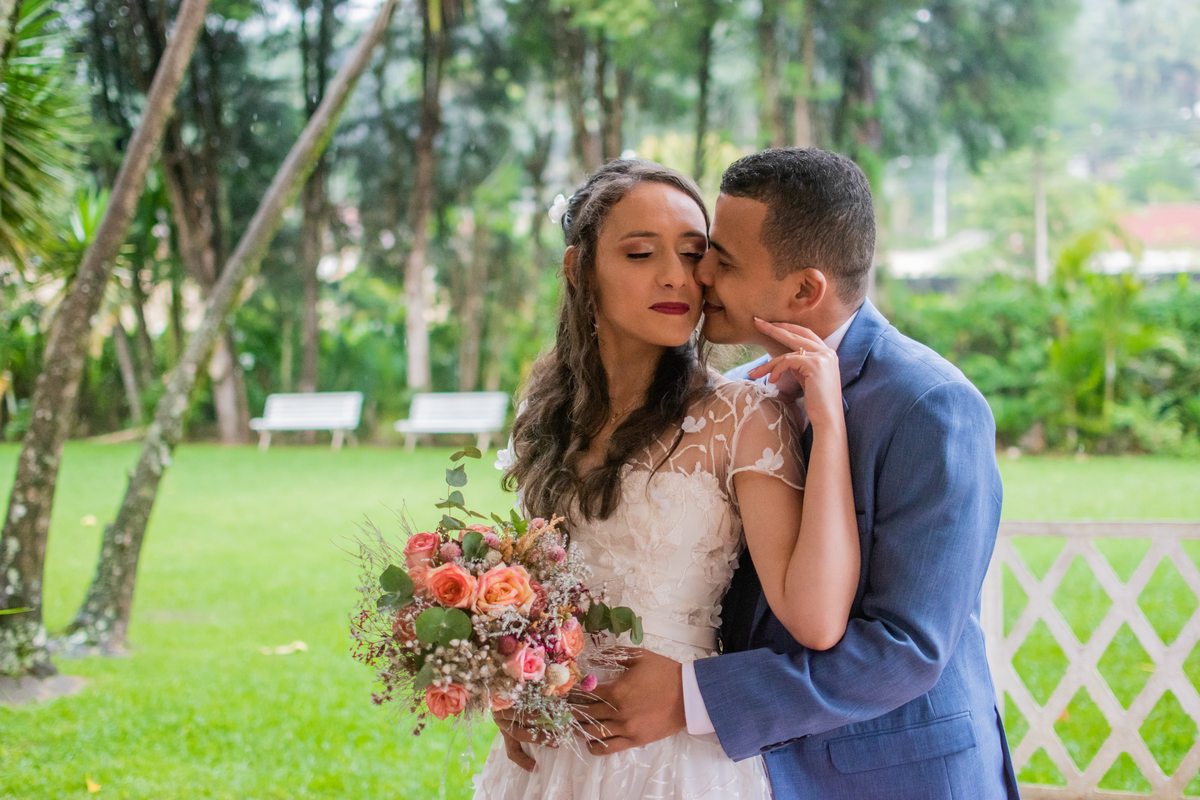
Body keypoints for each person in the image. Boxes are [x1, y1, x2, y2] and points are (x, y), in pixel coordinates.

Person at [556, 147, 1020, 800]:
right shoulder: (735, 397)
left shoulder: (930, 405)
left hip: (895, 776)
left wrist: (691, 695)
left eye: (721, 260)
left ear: (804, 290)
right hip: (735, 769)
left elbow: (907, 648)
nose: (698, 277)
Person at [471, 158, 861, 799]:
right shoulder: (545, 411)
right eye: (640, 253)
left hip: (670, 756)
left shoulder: (742, 416)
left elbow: (815, 621)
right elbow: (536, 590)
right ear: (579, 270)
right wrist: (510, 677)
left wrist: (829, 421)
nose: (677, 277)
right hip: (549, 750)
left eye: (692, 253)